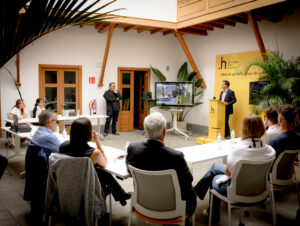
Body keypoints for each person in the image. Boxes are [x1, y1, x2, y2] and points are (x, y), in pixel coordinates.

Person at [194, 114, 275, 223]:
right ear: (262, 128)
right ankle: (198, 192)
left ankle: (212, 214)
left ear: (244, 129)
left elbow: (228, 172)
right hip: (260, 189)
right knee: (215, 167)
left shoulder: (237, 149)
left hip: (238, 190)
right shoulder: (269, 150)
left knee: (215, 177)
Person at [126, 112, 197, 220]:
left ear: (145, 131)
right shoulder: (176, 156)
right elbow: (188, 181)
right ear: (164, 131)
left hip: (142, 205)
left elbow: (129, 171)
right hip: (174, 209)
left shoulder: (133, 149)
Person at [59, 117, 131, 206]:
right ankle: (121, 196)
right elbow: (105, 162)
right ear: (88, 133)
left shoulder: (63, 146)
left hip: (68, 183)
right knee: (104, 172)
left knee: (101, 172)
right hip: (86, 187)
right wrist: (97, 142)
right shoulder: (93, 153)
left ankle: (122, 196)